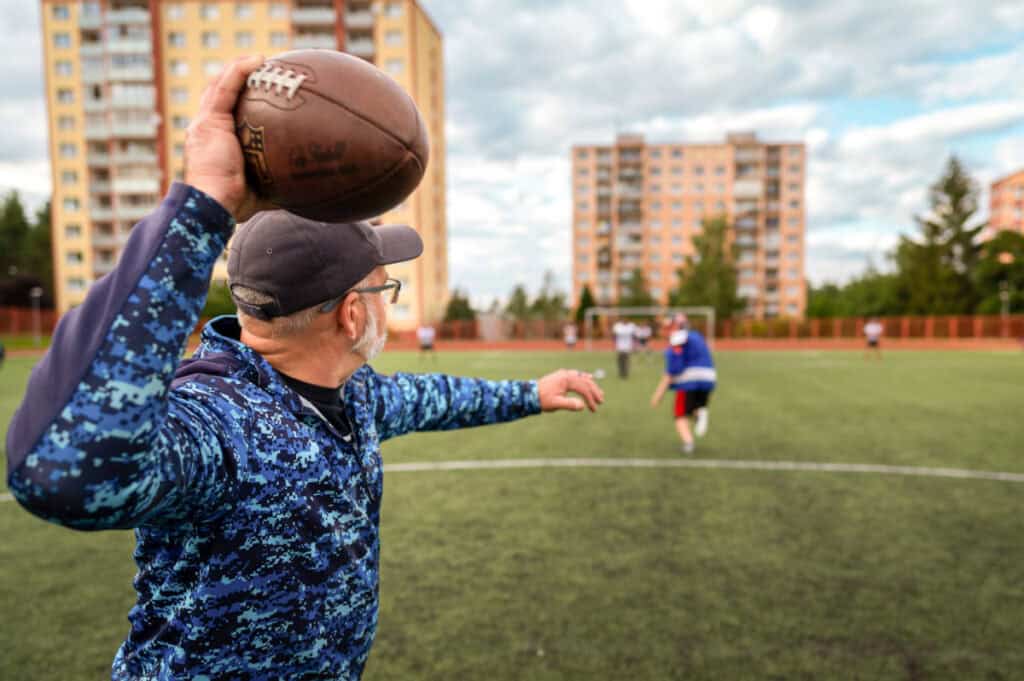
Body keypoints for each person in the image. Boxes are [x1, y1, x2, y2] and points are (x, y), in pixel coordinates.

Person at [4, 57, 604, 681]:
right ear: (351, 315)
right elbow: (61, 472)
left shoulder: (350, 394)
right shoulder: (221, 422)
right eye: (384, 289)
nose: (387, 303)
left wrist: (531, 392)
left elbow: (433, 397)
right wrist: (203, 204)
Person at [649, 326, 716, 455]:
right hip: (709, 377)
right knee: (693, 407)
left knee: (680, 414)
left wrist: (659, 394)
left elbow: (674, 369)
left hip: (689, 380)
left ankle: (688, 442)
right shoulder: (697, 335)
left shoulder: (677, 339)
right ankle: (700, 412)